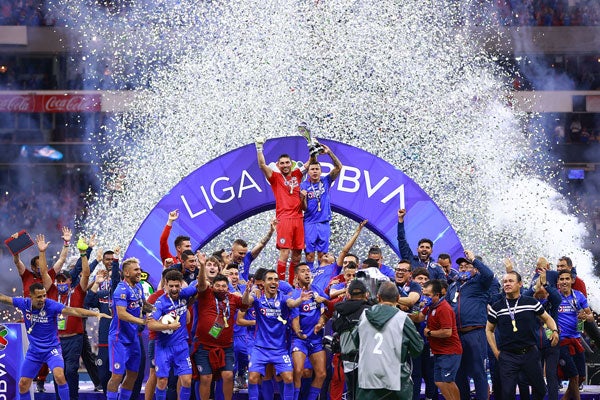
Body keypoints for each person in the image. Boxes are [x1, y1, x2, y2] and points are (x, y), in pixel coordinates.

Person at [0, 283, 109, 400]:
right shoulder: (23, 304)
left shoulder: (51, 305)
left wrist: (95, 313)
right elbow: (3, 298)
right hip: (34, 352)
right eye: (39, 297)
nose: (43, 299)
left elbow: (74, 311)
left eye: (44, 296)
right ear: (30, 296)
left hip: (52, 350)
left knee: (59, 376)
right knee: (23, 384)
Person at [486, 271, 559, 400]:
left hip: (530, 353)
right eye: (505, 282)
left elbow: (548, 318)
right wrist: (496, 351)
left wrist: (554, 331)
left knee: (541, 389)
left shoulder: (531, 302)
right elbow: (489, 330)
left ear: (520, 284)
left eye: (511, 281)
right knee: (507, 394)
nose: (507, 284)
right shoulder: (497, 307)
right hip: (508, 355)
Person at [241, 269, 312, 400]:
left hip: (279, 349)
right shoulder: (257, 296)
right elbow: (245, 302)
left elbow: (292, 303)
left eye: (276, 280)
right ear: (263, 282)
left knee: (288, 377)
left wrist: (300, 300)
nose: (273, 282)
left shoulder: (283, 297)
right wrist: (246, 291)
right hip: (260, 348)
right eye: (270, 279)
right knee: (252, 377)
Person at [38, 234, 91, 400]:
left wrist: (83, 255)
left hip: (75, 338)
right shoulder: (52, 292)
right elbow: (44, 273)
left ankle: (72, 398)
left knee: (70, 370)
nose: (60, 283)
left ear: (70, 281)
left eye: (64, 280)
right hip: (55, 339)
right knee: (57, 371)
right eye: (58, 280)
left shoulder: (77, 293)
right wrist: (42, 253)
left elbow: (86, 274)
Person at [356, 281, 424, 400]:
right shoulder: (403, 318)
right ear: (398, 298)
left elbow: (355, 342)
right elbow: (417, 348)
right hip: (395, 378)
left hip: (367, 377)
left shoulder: (364, 315)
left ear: (378, 297)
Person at [256, 137, 308, 284]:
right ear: (278, 165)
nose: (285, 165)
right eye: (282, 163)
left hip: (299, 218)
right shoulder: (275, 177)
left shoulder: (297, 174)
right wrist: (259, 147)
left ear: (291, 164)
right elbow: (261, 164)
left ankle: (292, 284)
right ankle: (281, 284)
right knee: (284, 253)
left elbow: (311, 163)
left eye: (287, 163)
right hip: (284, 219)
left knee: (297, 255)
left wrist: (312, 147)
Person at [192, 263, 248, 400]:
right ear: (212, 286)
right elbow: (201, 285)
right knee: (206, 377)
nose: (221, 289)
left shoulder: (233, 298)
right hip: (203, 346)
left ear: (227, 287)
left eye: (224, 286)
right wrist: (202, 267)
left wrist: (247, 291)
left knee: (228, 376)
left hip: (226, 347)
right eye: (218, 286)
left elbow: (245, 304)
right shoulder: (206, 294)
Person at [447, 251, 494, 400]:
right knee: (459, 374)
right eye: (461, 266)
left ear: (474, 268)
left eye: (467, 266)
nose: (463, 268)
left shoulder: (480, 282)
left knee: (478, 372)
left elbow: (489, 274)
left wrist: (474, 259)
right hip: (456, 335)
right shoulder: (453, 286)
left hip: (475, 333)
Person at [148, 269, 198, 400]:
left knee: (186, 381)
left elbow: (199, 288)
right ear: (165, 284)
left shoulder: (185, 294)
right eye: (171, 286)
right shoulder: (160, 302)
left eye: (177, 286)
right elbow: (151, 324)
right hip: (163, 347)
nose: (174, 289)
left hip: (181, 346)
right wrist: (169, 326)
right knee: (162, 381)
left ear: (181, 284)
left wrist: (190, 302)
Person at [107, 258, 150, 400]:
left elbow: (145, 305)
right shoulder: (121, 290)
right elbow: (121, 313)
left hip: (133, 338)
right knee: (117, 376)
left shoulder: (138, 287)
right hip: (119, 338)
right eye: (136, 270)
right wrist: (142, 321)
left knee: (133, 374)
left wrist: (160, 311)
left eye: (139, 269)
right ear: (126, 272)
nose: (140, 272)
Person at [415, 280, 462, 400]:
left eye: (428, 295)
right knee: (439, 382)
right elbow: (419, 317)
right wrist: (400, 314)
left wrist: (430, 333)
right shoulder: (430, 306)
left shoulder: (444, 308)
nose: (425, 298)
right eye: (423, 294)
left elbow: (447, 332)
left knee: (448, 381)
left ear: (437, 295)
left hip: (450, 352)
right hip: (438, 352)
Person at [290, 263, 329, 400]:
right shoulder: (296, 295)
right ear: (297, 276)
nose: (307, 273)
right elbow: (295, 319)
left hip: (316, 339)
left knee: (321, 373)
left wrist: (321, 322)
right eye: (303, 271)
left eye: (308, 271)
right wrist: (299, 333)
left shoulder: (317, 289)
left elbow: (328, 308)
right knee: (299, 371)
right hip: (299, 339)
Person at [299, 143, 342, 265]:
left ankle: (321, 277)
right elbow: (304, 208)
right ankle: (310, 278)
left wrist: (329, 153)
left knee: (323, 255)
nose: (314, 171)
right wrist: (302, 198)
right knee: (310, 254)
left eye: (317, 169)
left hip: (324, 222)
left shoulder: (326, 181)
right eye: (312, 169)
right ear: (308, 172)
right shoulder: (303, 186)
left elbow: (339, 167)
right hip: (309, 222)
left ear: (321, 171)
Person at [330, 279, 371, 400]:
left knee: (353, 393)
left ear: (348, 294)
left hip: (349, 362)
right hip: (369, 361)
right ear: (366, 294)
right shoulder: (371, 310)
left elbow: (334, 327)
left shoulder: (339, 311)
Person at [556, 269, 593, 400]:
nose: (564, 281)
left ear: (572, 280)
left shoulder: (579, 296)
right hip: (561, 341)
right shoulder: (554, 296)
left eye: (567, 279)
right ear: (558, 282)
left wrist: (585, 317)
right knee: (574, 376)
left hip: (576, 339)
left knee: (581, 377)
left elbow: (590, 317)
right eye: (561, 279)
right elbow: (544, 316)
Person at [396, 209, 445, 281]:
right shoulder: (410, 260)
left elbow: (443, 286)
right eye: (422, 247)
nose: (424, 249)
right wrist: (401, 220)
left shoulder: (437, 268)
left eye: (427, 247)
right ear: (417, 249)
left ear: (431, 251)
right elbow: (402, 240)